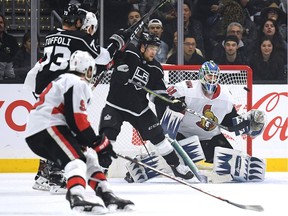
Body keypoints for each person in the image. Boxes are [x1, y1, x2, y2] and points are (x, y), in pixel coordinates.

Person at [25, 3, 131, 194]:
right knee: (66, 130)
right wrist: (117, 40)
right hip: (62, 87)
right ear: (82, 24)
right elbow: (104, 56)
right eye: (89, 28)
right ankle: (54, 176)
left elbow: (75, 59)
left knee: (54, 129)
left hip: (45, 86)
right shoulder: (80, 38)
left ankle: (43, 175)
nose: (90, 32)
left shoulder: (51, 36)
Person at [25, 50, 134, 213]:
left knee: (88, 158)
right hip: (47, 126)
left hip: (43, 129)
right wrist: (99, 143)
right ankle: (76, 197)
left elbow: (72, 120)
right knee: (75, 160)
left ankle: (106, 194)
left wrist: (95, 145)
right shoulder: (77, 82)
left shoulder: (65, 80)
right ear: (89, 70)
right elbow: (77, 120)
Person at [98, 31, 194, 180]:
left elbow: (157, 95)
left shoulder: (156, 69)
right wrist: (119, 61)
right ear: (142, 47)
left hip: (139, 109)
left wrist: (171, 102)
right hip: (115, 105)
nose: (154, 52)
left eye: (156, 49)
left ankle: (176, 166)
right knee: (108, 136)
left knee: (159, 138)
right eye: (151, 48)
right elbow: (110, 52)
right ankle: (101, 168)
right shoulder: (129, 52)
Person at [165, 60, 267, 182]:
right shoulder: (187, 89)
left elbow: (229, 123)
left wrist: (247, 124)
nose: (212, 79)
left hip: (211, 139)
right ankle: (159, 158)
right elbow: (162, 101)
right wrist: (172, 104)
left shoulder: (226, 96)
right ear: (202, 75)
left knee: (234, 163)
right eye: (209, 75)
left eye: (215, 76)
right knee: (173, 163)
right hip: (183, 136)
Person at [0, 14, 19, 82]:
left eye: (1, 22)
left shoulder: (12, 39)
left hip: (10, 73)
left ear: (4, 24)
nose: (0, 25)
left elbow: (16, 56)